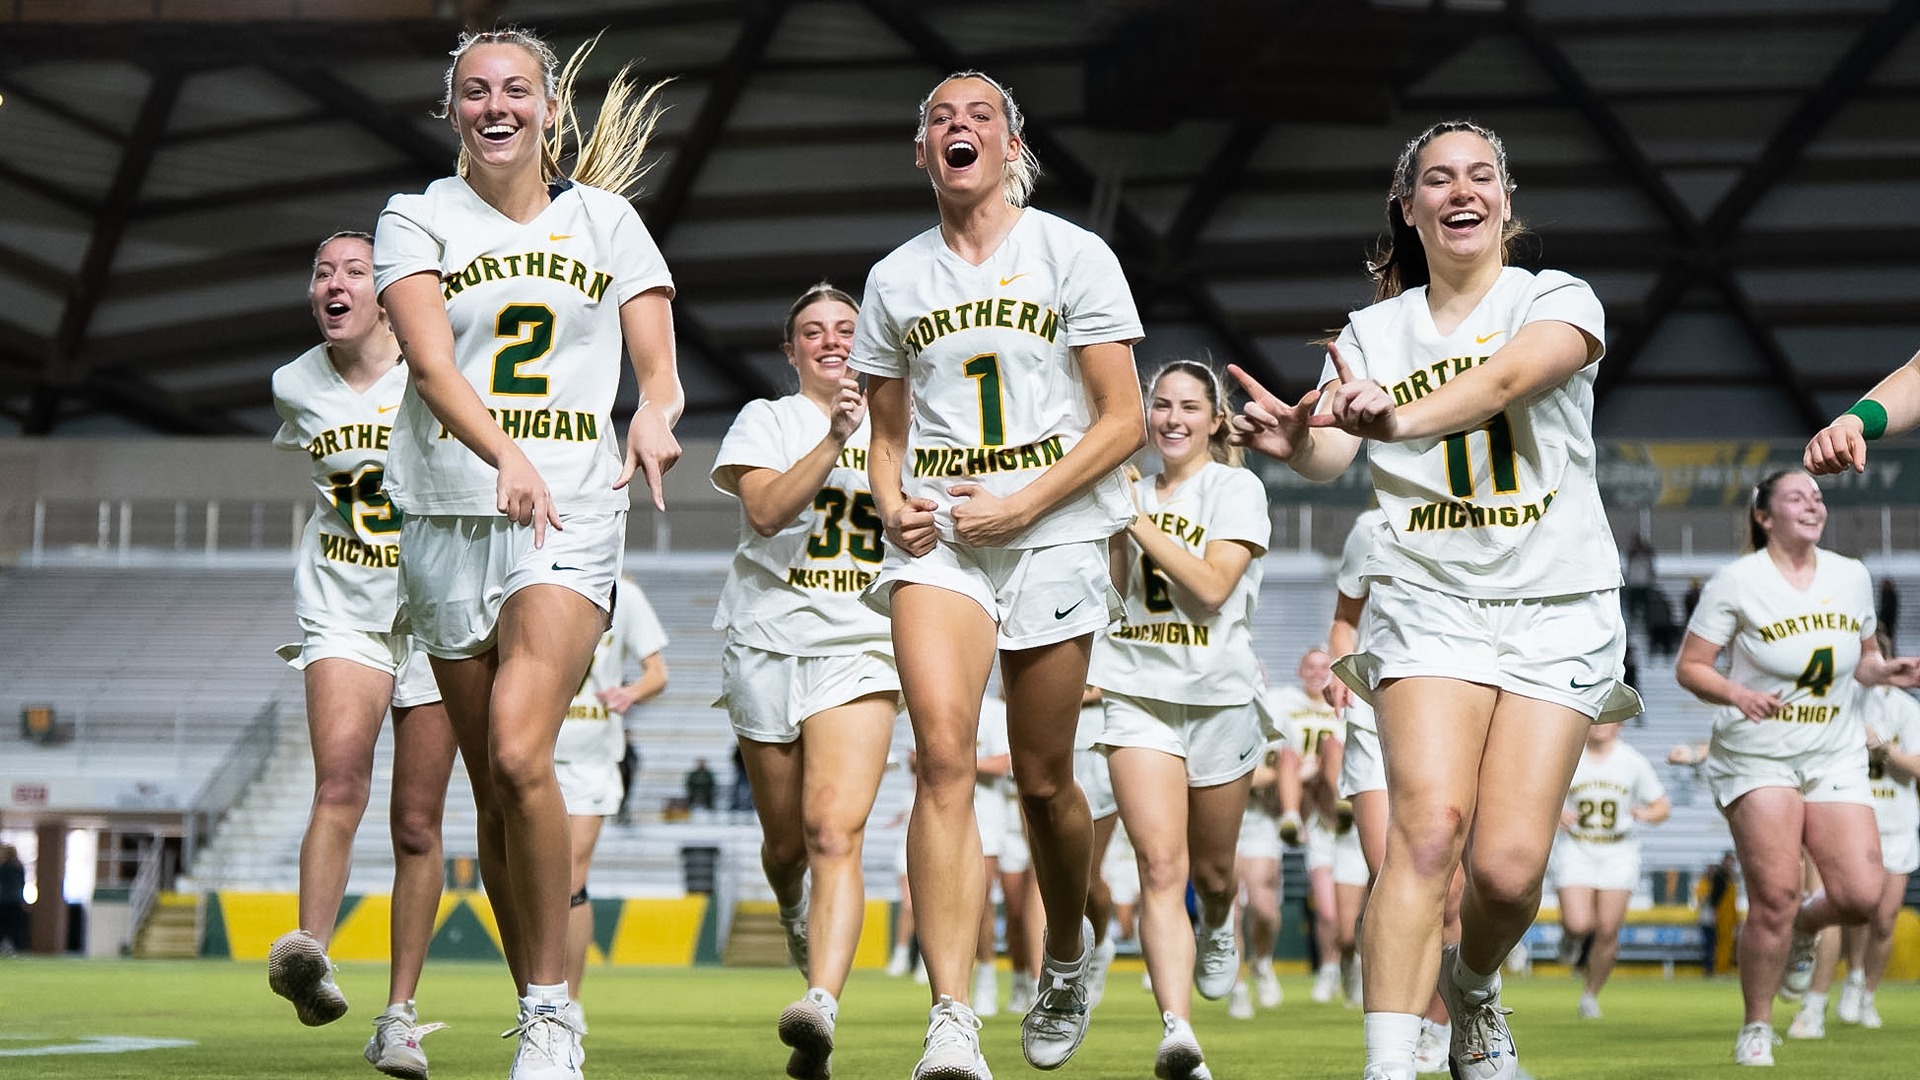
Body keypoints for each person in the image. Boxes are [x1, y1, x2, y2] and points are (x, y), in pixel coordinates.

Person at [1228, 119, 1643, 1080]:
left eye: (1481, 175)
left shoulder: (1557, 298)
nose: (1462, 191)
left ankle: (1478, 989)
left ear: (1505, 198)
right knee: (1424, 832)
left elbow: (1504, 380)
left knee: (1503, 873)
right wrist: (1299, 446)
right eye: (1439, 179)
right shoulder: (1372, 330)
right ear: (1409, 208)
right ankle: (1387, 1065)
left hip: (1559, 603)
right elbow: (1338, 449)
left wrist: (1396, 416)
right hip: (1428, 600)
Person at [372, 26, 681, 1080]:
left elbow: (658, 365)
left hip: (570, 511)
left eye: (515, 89)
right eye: (474, 91)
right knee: (493, 789)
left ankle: (552, 1014)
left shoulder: (610, 222)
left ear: (551, 107)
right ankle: (538, 999)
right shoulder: (415, 218)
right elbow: (424, 362)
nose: (495, 105)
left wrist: (653, 416)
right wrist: (501, 450)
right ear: (450, 109)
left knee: (515, 750)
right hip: (446, 514)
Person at [850, 69, 1146, 1080]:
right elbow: (885, 438)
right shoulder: (893, 279)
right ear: (921, 152)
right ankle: (952, 1015)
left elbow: (1124, 420)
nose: (958, 127)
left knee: (1046, 779)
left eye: (980, 115)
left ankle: (1066, 948)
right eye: (939, 117)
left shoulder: (1075, 255)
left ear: (1012, 146)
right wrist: (889, 497)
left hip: (1054, 533)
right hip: (942, 540)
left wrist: (1024, 503)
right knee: (938, 756)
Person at [266, 231, 459, 1080]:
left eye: (354, 271)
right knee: (340, 776)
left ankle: (400, 1019)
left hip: (437, 609)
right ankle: (308, 957)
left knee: (418, 824)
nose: (333, 284)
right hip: (344, 604)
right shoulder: (294, 384)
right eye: (322, 272)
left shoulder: (441, 363)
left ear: (388, 290)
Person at [710, 281, 904, 1080]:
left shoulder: (909, 425)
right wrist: (833, 439)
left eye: (846, 329)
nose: (830, 340)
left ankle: (820, 1003)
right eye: (812, 332)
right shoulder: (768, 419)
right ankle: (792, 906)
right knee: (787, 844)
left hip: (861, 642)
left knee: (833, 831)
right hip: (766, 642)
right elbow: (764, 512)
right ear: (791, 352)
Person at [1675, 469, 1919, 1066]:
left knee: (1862, 896)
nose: (1812, 504)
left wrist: (1883, 673)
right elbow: (1691, 667)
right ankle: (1756, 1026)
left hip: (1832, 750)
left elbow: (1860, 661)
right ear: (1764, 516)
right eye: (1795, 497)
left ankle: (1807, 931)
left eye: (1817, 496)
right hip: (1757, 752)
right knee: (1776, 896)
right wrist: (1737, 694)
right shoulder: (1737, 581)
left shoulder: (1852, 575)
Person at [1087, 360, 1270, 1080]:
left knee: (1214, 872)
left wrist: (1132, 518)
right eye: (1159, 405)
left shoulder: (1236, 487)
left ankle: (1219, 921)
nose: (1171, 418)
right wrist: (1108, 526)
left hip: (1219, 698)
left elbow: (1210, 589)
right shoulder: (1122, 488)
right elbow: (1107, 588)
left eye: (1189, 407)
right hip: (1135, 691)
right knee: (1160, 866)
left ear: (1214, 420)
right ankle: (1178, 1035)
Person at [1329, 507, 1458, 1073]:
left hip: (1457, 717)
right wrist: (1339, 666)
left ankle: (1441, 1020)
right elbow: (1344, 618)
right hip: (1377, 715)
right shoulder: (1372, 526)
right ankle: (1392, 1045)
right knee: (1398, 872)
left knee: (1452, 894)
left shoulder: (1490, 517)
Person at [1788, 629, 1919, 1037]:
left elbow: (1916, 767)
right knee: (1839, 906)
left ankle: (1862, 988)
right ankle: (1813, 1005)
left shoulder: (1905, 708)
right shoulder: (1834, 701)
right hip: (1842, 816)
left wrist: (1882, 748)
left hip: (1895, 822)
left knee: (1882, 919)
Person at [556, 574, 668, 1024]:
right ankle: (539, 991)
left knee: (569, 881)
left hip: (592, 758)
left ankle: (570, 1001)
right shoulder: (530, 576)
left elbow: (657, 673)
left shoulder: (627, 593)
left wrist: (630, 693)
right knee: (533, 883)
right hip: (532, 753)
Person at [1549, 721, 1669, 1020]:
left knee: (1607, 929)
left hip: (1618, 851)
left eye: (1609, 718)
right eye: (1596, 718)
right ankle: (1570, 937)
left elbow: (1662, 806)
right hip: (1576, 847)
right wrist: (1557, 811)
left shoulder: (1632, 761)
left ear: (1621, 723)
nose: (1601, 725)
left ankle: (1590, 994)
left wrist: (1646, 813)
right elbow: (1542, 794)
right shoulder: (1568, 757)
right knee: (1578, 923)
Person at [1272, 646, 1361, 1006]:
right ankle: (1328, 968)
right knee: (1327, 911)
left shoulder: (1350, 702)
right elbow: (1280, 752)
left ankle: (1353, 964)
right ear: (1299, 670)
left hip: (1352, 813)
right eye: (1310, 666)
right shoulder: (1285, 704)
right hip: (1321, 818)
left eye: (1324, 666)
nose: (1316, 672)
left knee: (1354, 920)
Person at [0, 844, 26, 956]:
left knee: (3, 925)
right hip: (16, 901)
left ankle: (4, 945)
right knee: (14, 926)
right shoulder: (20, 867)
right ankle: (14, 946)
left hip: (4, 900)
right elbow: (22, 884)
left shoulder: (4, 867)